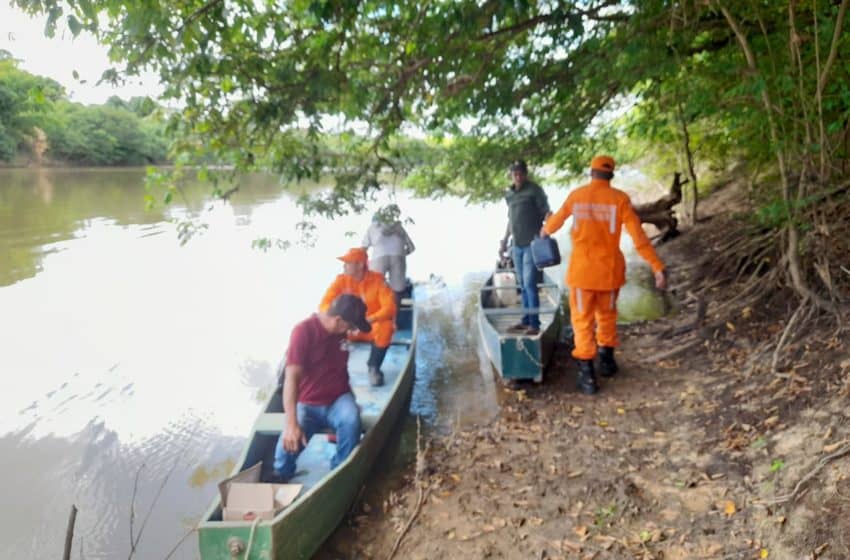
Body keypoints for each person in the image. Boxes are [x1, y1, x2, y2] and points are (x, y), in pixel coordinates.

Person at [541, 155, 667, 395]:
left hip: (582, 274)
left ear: (591, 173)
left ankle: (587, 376)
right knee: (607, 316)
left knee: (582, 322)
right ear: (611, 176)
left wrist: (545, 231)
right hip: (609, 274)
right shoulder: (619, 200)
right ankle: (607, 362)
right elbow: (639, 237)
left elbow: (555, 222)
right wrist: (656, 266)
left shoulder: (577, 196)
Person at [272, 294, 371, 481]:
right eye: (351, 326)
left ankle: (339, 471)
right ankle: (281, 473)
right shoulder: (303, 332)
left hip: (337, 399)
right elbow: (291, 378)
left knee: (351, 419)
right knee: (290, 440)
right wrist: (291, 424)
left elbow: (341, 372)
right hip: (307, 403)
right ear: (338, 320)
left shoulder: (339, 333)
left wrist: (352, 401)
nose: (352, 331)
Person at [320, 247, 397, 387]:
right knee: (321, 325)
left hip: (368, 327)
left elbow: (390, 307)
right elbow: (324, 305)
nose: (344, 266)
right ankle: (322, 368)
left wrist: (369, 319)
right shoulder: (340, 281)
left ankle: (374, 367)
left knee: (386, 326)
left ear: (360, 265)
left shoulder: (378, 281)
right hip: (345, 328)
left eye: (348, 262)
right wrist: (339, 320)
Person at [500, 159, 551, 335]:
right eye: (515, 173)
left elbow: (547, 213)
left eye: (521, 173)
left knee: (530, 284)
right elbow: (510, 219)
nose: (518, 176)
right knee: (522, 285)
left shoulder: (534, 190)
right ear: (511, 174)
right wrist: (504, 240)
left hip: (532, 244)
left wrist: (546, 232)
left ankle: (534, 325)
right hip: (516, 244)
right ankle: (525, 320)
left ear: (526, 173)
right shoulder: (509, 193)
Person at [361, 204, 415, 303]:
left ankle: (374, 311)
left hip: (379, 258)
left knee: (374, 286)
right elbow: (412, 248)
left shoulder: (372, 227)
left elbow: (363, 249)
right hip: (398, 257)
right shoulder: (399, 227)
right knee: (397, 290)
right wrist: (401, 254)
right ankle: (395, 313)